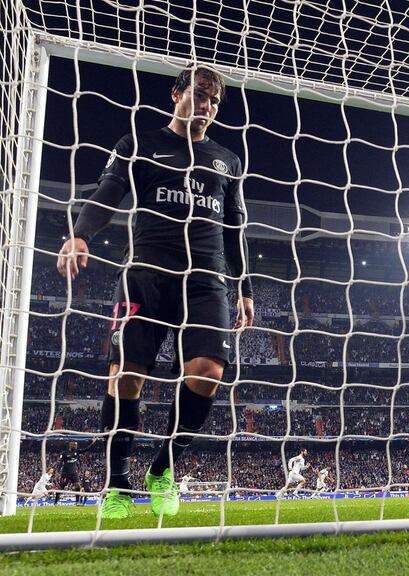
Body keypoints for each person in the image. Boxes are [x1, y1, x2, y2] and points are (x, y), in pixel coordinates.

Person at [56, 64, 255, 519]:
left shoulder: (227, 159)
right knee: (125, 376)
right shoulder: (138, 144)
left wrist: (244, 287)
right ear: (176, 94)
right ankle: (116, 483)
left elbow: (235, 230)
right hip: (146, 274)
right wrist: (81, 234)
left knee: (207, 373)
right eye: (201, 95)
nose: (207, 105)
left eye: (215, 101)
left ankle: (162, 470)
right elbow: (108, 192)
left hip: (206, 281)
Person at [53, 438, 99, 505]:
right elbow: (60, 463)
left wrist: (92, 443)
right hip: (65, 473)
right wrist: (58, 471)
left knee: (77, 486)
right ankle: (56, 502)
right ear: (71, 445)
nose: (76, 446)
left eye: (76, 445)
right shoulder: (65, 453)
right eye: (75, 445)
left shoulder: (77, 451)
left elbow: (86, 449)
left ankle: (77, 502)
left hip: (74, 473)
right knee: (61, 488)